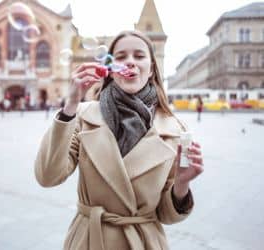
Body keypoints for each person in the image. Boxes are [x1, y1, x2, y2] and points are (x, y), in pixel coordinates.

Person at [34, 30, 204, 250]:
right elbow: (47, 177)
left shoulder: (176, 130)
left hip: (143, 242)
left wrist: (181, 184)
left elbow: (166, 215)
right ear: (111, 71)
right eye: (121, 57)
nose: (130, 62)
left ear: (152, 68)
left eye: (139, 56)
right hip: (89, 239)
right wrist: (70, 106)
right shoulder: (82, 116)